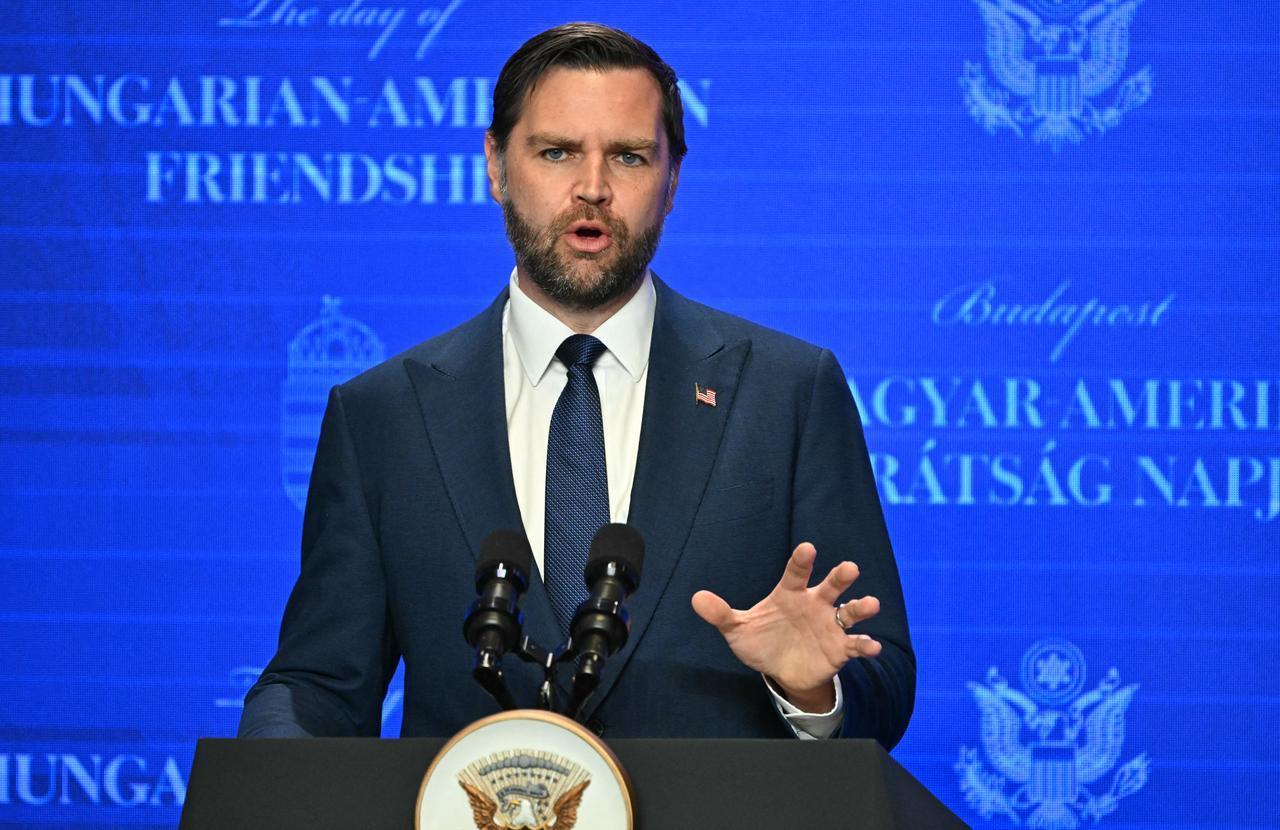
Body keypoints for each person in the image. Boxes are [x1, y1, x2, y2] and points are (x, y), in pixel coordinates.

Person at [239, 22, 914, 747]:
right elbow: (321, 684)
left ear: (672, 181)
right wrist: (264, 767)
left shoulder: (787, 393)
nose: (592, 189)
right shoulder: (382, 416)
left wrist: (807, 684)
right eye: (556, 152)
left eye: (628, 156)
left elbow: (883, 686)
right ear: (495, 165)